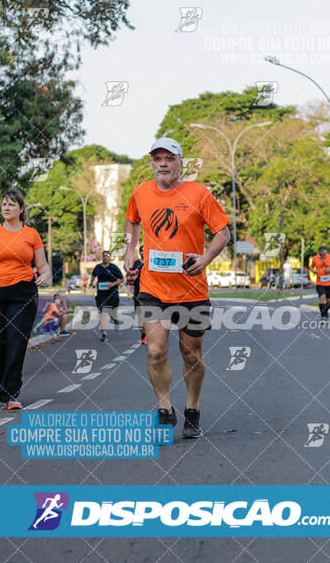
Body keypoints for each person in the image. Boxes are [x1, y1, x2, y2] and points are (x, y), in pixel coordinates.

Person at [124, 137, 230, 438]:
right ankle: (164, 407)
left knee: (191, 354)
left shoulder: (198, 194)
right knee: (155, 351)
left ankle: (193, 407)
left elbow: (223, 232)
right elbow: (131, 222)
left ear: (180, 162)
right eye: (157, 159)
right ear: (152, 164)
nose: (162, 164)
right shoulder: (141, 192)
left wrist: (206, 257)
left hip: (191, 289)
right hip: (152, 288)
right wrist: (130, 251)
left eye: (169, 158)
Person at [0, 189, 51, 409]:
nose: (6, 207)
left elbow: (42, 265)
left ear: (21, 209)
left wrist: (45, 275)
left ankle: (11, 393)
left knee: (16, 343)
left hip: (23, 293)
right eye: (4, 204)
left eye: (11, 204)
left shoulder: (31, 234)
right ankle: (1, 380)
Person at [90, 250, 123, 342]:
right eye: (104, 256)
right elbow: (93, 275)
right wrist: (91, 283)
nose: (105, 257)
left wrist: (113, 284)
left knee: (112, 313)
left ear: (110, 257)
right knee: (102, 312)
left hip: (113, 294)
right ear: (102, 257)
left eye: (107, 256)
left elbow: (121, 279)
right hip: (101, 294)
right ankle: (104, 333)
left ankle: (115, 318)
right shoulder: (98, 267)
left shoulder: (114, 268)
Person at [309, 246, 330, 320]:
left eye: (325, 254)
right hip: (320, 283)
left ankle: (325, 311)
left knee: (329, 301)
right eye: (322, 254)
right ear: (319, 253)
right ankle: (323, 314)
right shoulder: (315, 258)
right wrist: (313, 271)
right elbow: (311, 267)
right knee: (322, 297)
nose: (324, 256)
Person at [127, 244, 146, 344]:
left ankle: (148, 334)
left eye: (144, 250)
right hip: (138, 294)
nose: (143, 252)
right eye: (141, 251)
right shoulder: (136, 264)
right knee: (139, 316)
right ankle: (143, 334)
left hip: (149, 293)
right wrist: (132, 277)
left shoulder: (150, 263)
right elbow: (128, 278)